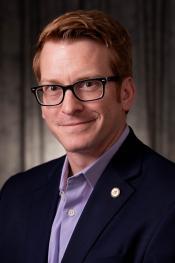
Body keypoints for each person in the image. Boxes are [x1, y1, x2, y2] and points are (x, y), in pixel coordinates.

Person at [0, 9, 175, 263]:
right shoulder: (16, 194)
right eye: (52, 88)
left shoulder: (169, 200)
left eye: (88, 84)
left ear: (126, 93)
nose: (69, 107)